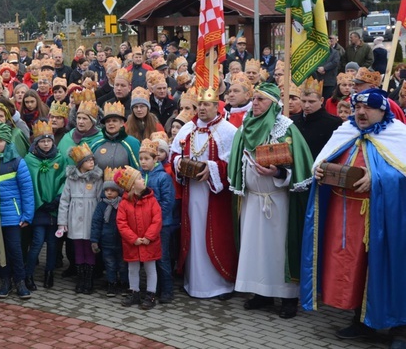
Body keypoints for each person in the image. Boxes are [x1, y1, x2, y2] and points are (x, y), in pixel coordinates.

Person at [301, 88, 406, 340]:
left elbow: (402, 175)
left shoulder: (399, 135)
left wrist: (378, 178)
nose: (360, 112)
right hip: (347, 218)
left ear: (383, 111)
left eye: (368, 108)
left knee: (387, 268)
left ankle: (399, 327)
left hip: (385, 220)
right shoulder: (346, 132)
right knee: (355, 269)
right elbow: (324, 160)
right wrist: (320, 171)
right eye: (357, 107)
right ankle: (361, 321)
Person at [228, 82, 314, 319]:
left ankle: (287, 298)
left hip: (278, 202)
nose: (255, 103)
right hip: (252, 200)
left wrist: (277, 173)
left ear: (274, 105)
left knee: (278, 251)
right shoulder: (245, 126)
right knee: (256, 249)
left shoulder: (286, 129)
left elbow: (300, 167)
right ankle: (261, 293)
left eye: (261, 100)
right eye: (254, 99)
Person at [171, 87, 238, 300]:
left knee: (216, 234)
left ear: (216, 105)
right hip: (192, 192)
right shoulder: (187, 128)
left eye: (207, 104)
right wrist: (179, 163)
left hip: (216, 196)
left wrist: (212, 168)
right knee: (194, 234)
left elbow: (234, 163)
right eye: (199, 104)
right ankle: (194, 283)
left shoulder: (228, 130)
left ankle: (220, 285)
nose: (202, 108)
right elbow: (173, 155)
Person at [0, 122, 34, 300]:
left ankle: (20, 281)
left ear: (7, 141)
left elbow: (27, 190)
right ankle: (5, 282)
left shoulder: (17, 162)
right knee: (0, 251)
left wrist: (27, 214)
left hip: (12, 215)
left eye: (0, 140)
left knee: (15, 249)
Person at [24, 120, 66, 291]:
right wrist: (39, 202)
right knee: (37, 242)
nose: (46, 144)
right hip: (39, 209)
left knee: (53, 243)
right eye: (42, 141)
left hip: (55, 208)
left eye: (49, 140)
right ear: (36, 143)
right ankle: (28, 274)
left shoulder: (60, 158)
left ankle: (49, 273)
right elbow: (29, 183)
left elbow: (64, 179)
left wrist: (58, 198)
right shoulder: (30, 159)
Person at [113, 165, 162, 310]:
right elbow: (121, 223)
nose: (143, 180)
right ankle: (134, 291)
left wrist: (148, 236)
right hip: (132, 243)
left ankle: (151, 294)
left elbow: (157, 219)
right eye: (140, 178)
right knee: (132, 268)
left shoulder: (152, 200)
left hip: (149, 242)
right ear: (132, 185)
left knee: (150, 268)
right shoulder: (124, 203)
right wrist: (133, 238)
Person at [58, 142, 104, 295]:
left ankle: (89, 279)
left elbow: (100, 200)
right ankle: (80, 278)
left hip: (90, 217)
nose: (92, 162)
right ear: (80, 163)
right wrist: (62, 222)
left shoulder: (97, 179)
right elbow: (64, 201)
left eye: (92, 160)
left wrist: (100, 221)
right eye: (88, 160)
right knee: (78, 248)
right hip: (75, 217)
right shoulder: (71, 179)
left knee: (90, 248)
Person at [139, 138, 175, 304]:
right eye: (141, 159)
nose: (143, 162)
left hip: (162, 225)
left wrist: (155, 218)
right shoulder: (139, 176)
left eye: (147, 159)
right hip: (144, 225)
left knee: (162, 257)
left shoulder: (163, 178)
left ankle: (166, 290)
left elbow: (168, 202)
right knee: (150, 257)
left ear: (155, 159)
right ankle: (154, 287)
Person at [91, 168, 128, 296]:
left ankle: (124, 284)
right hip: (106, 241)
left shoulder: (123, 204)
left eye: (112, 190)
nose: (109, 193)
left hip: (121, 241)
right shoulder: (101, 206)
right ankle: (111, 284)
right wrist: (94, 241)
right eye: (107, 190)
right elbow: (96, 223)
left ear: (118, 191)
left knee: (123, 265)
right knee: (110, 264)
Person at [292, 78, 342, 159]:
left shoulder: (333, 123)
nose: (306, 105)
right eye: (303, 101)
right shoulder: (292, 121)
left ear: (321, 100)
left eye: (311, 102)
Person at [95, 101, 141, 170]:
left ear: (122, 123)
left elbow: (139, 169)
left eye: (114, 121)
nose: (111, 123)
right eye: (108, 121)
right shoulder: (96, 142)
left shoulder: (132, 143)